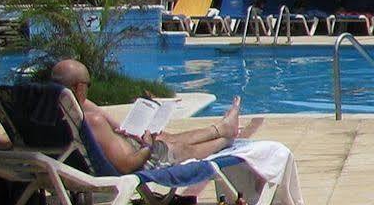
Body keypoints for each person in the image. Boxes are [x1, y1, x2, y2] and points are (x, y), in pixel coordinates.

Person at [51, 58, 259, 175]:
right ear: (79, 88)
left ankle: (223, 128)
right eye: (88, 86)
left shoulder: (51, 114)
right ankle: (224, 137)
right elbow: (126, 165)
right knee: (176, 146)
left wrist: (132, 133)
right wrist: (147, 146)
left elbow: (87, 106)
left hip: (85, 159)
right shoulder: (92, 122)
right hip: (140, 160)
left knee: (164, 137)